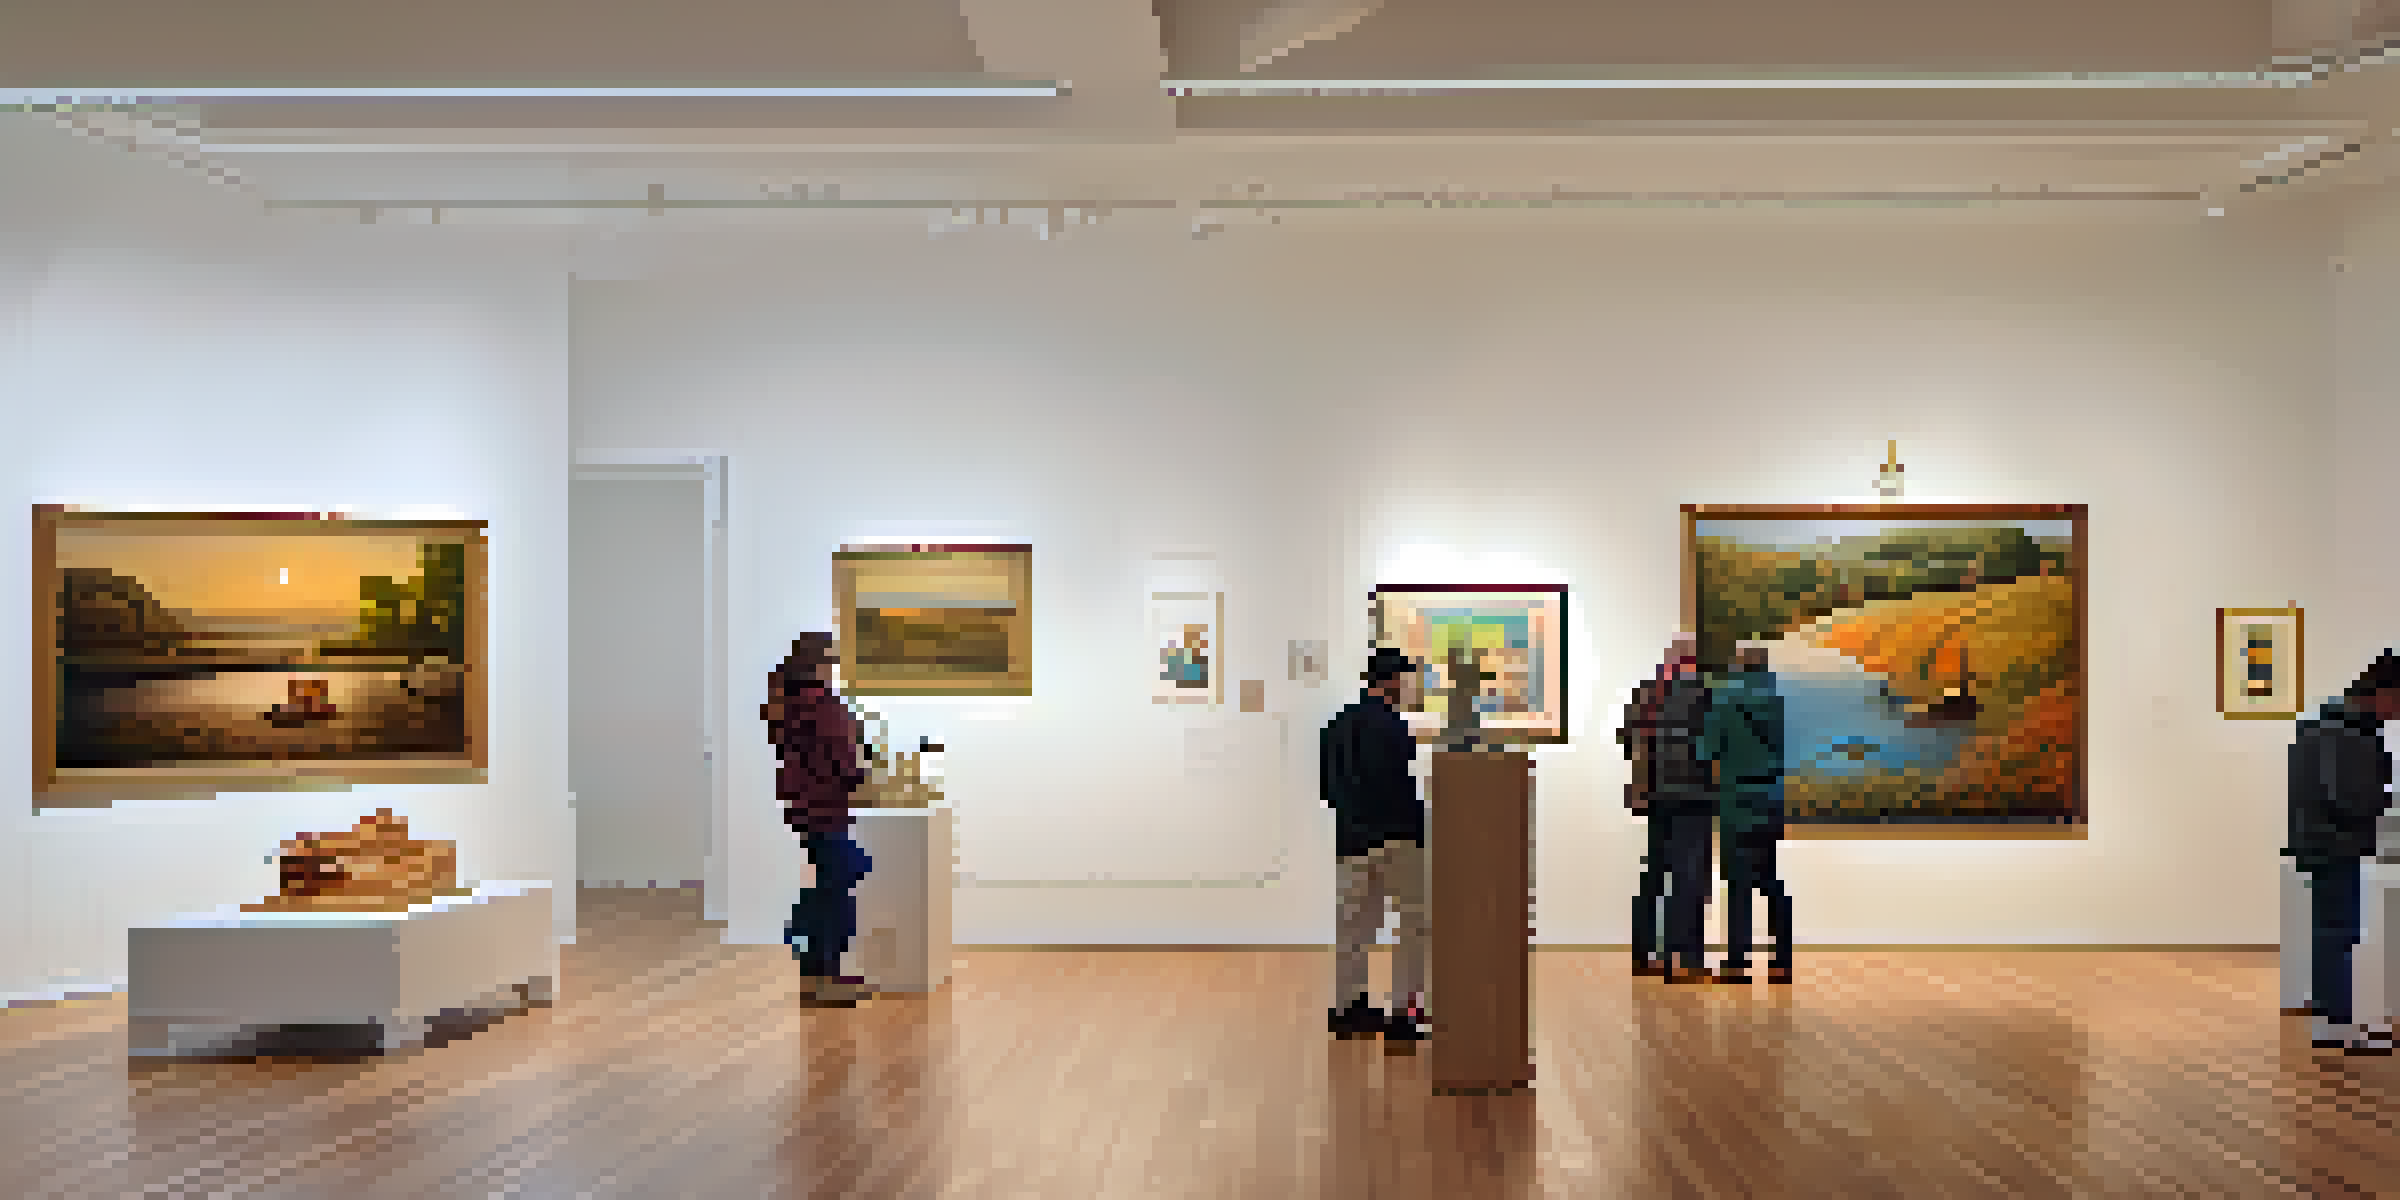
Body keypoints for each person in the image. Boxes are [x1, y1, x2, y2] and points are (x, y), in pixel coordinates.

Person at [2286, 649, 2400, 1053]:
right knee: (2338, 933)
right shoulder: (2348, 730)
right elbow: (2347, 796)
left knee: (2334, 932)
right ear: (2382, 692)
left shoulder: (2329, 723)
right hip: (2334, 843)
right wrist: (2382, 799)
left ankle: (2336, 1021)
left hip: (2323, 841)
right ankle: (2335, 1025)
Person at [1321, 646, 1431, 1045]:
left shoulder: (1336, 725)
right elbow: (1400, 788)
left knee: (1353, 928)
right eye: (1405, 679)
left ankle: (1348, 1007)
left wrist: (1353, 820)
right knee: (1412, 924)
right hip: (1397, 840)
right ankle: (1404, 1013)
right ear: (1394, 681)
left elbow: (1327, 789)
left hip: (1351, 841)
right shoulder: (1393, 726)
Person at [764, 632, 874, 1007]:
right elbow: (842, 760)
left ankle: (814, 967)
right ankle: (823, 972)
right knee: (838, 883)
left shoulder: (787, 703)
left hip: (804, 806)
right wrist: (863, 779)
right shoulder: (823, 705)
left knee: (833, 879)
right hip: (826, 805)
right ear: (823, 663)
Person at [1621, 633, 1715, 981]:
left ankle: (1645, 955)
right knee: (1690, 875)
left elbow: (1626, 737)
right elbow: (1715, 743)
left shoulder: (1647, 693)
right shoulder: (1704, 694)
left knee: (1656, 872)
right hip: (1694, 793)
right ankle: (1685, 958)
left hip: (1656, 794)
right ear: (1693, 661)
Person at [1702, 642, 1793, 985]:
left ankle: (1737, 963)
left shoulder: (1724, 699)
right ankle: (1781, 962)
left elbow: (1708, 749)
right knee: (1769, 879)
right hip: (1769, 799)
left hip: (1735, 800)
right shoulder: (1778, 699)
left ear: (1739, 664)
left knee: (1738, 883)